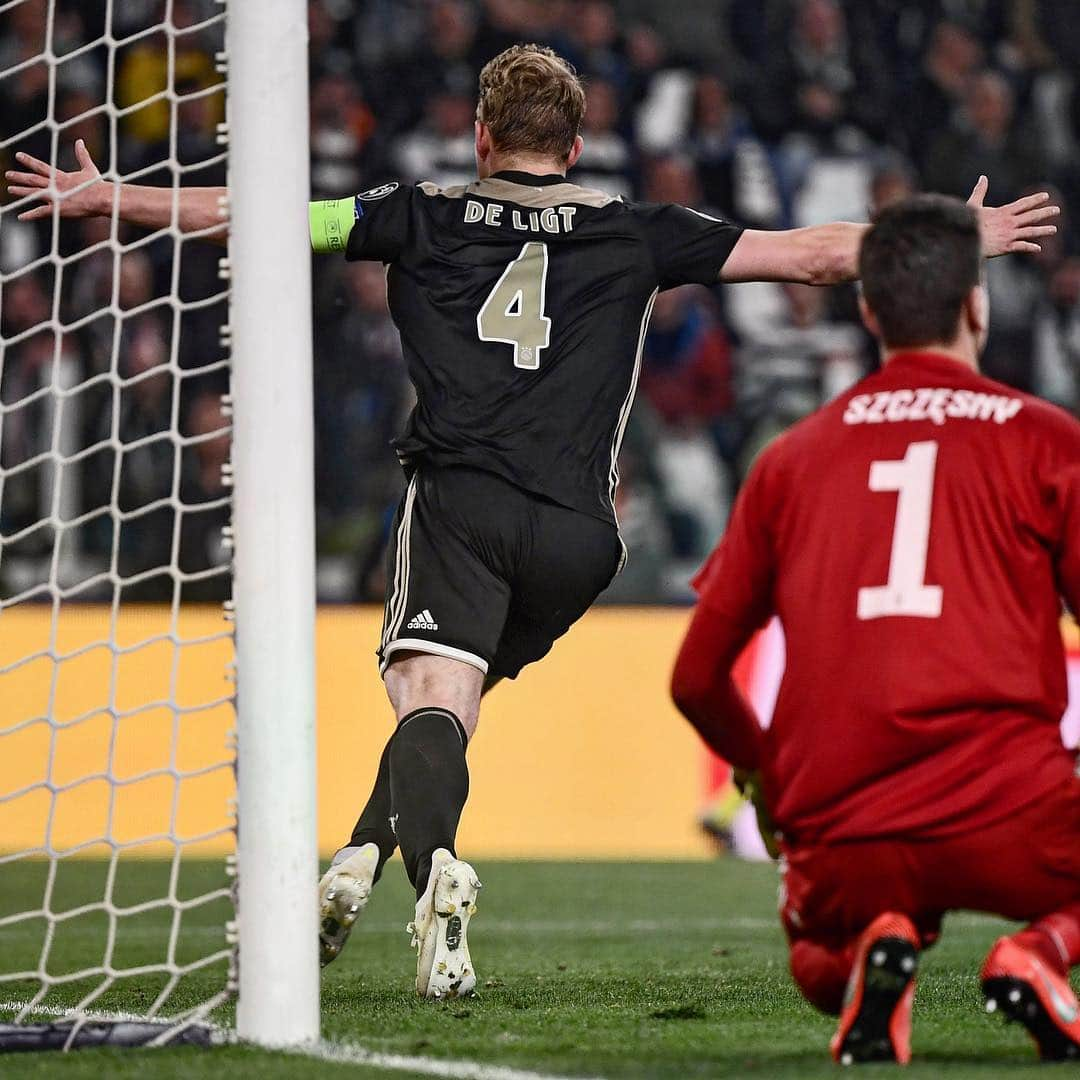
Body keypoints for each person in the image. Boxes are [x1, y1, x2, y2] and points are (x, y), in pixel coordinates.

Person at [6, 44, 1060, 1002]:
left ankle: (438, 877)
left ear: (480, 137)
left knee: (429, 697)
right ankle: (360, 861)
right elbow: (819, 254)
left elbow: (262, 215)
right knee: (450, 718)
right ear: (578, 142)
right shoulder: (635, 228)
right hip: (580, 539)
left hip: (463, 503)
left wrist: (113, 197)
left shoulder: (415, 212)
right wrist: (958, 232)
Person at [671, 195, 1080, 1064]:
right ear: (978, 306)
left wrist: (772, 786)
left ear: (866, 310)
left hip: (849, 826)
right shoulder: (1049, 441)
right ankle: (1038, 952)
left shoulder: (788, 459)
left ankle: (873, 948)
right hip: (1010, 812)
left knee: (819, 950)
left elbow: (696, 678)